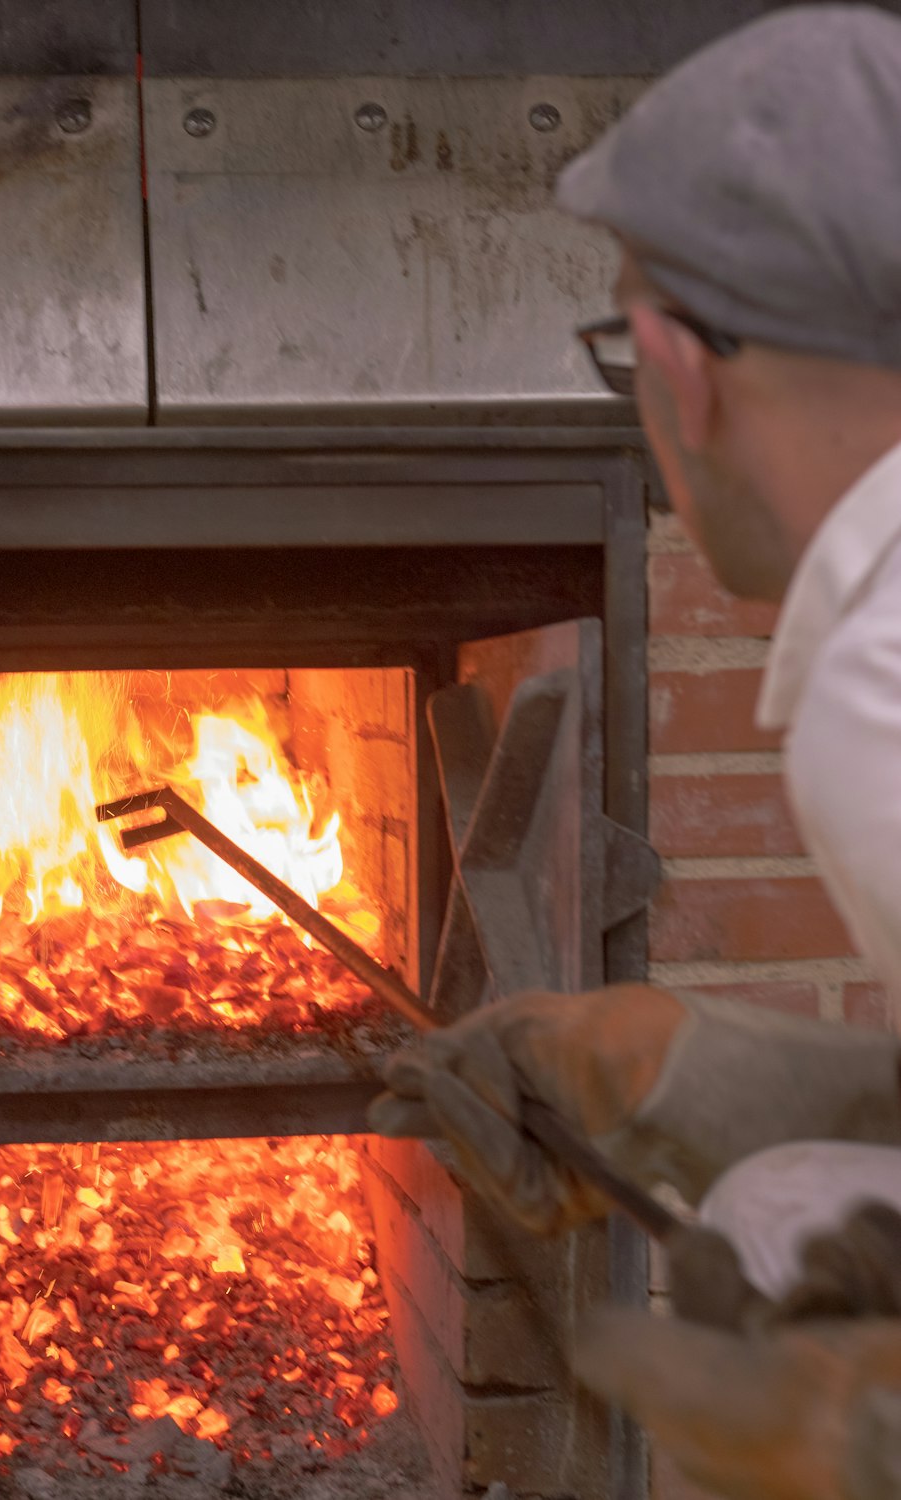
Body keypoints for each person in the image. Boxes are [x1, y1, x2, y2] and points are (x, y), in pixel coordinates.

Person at [369, 7, 901, 1496]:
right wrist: (678, 1073)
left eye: (621, 348)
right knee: (795, 1199)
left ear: (680, 362)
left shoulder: (884, 681)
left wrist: (857, 1436)